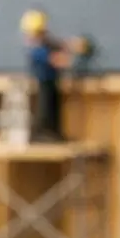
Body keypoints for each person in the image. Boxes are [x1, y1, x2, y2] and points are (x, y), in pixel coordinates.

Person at [19, 10, 86, 142]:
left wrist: (73, 45)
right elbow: (54, 59)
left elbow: (60, 45)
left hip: (52, 80)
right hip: (44, 81)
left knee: (54, 107)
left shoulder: (46, 43)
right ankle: (42, 133)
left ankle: (54, 132)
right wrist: (66, 59)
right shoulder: (36, 50)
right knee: (45, 107)